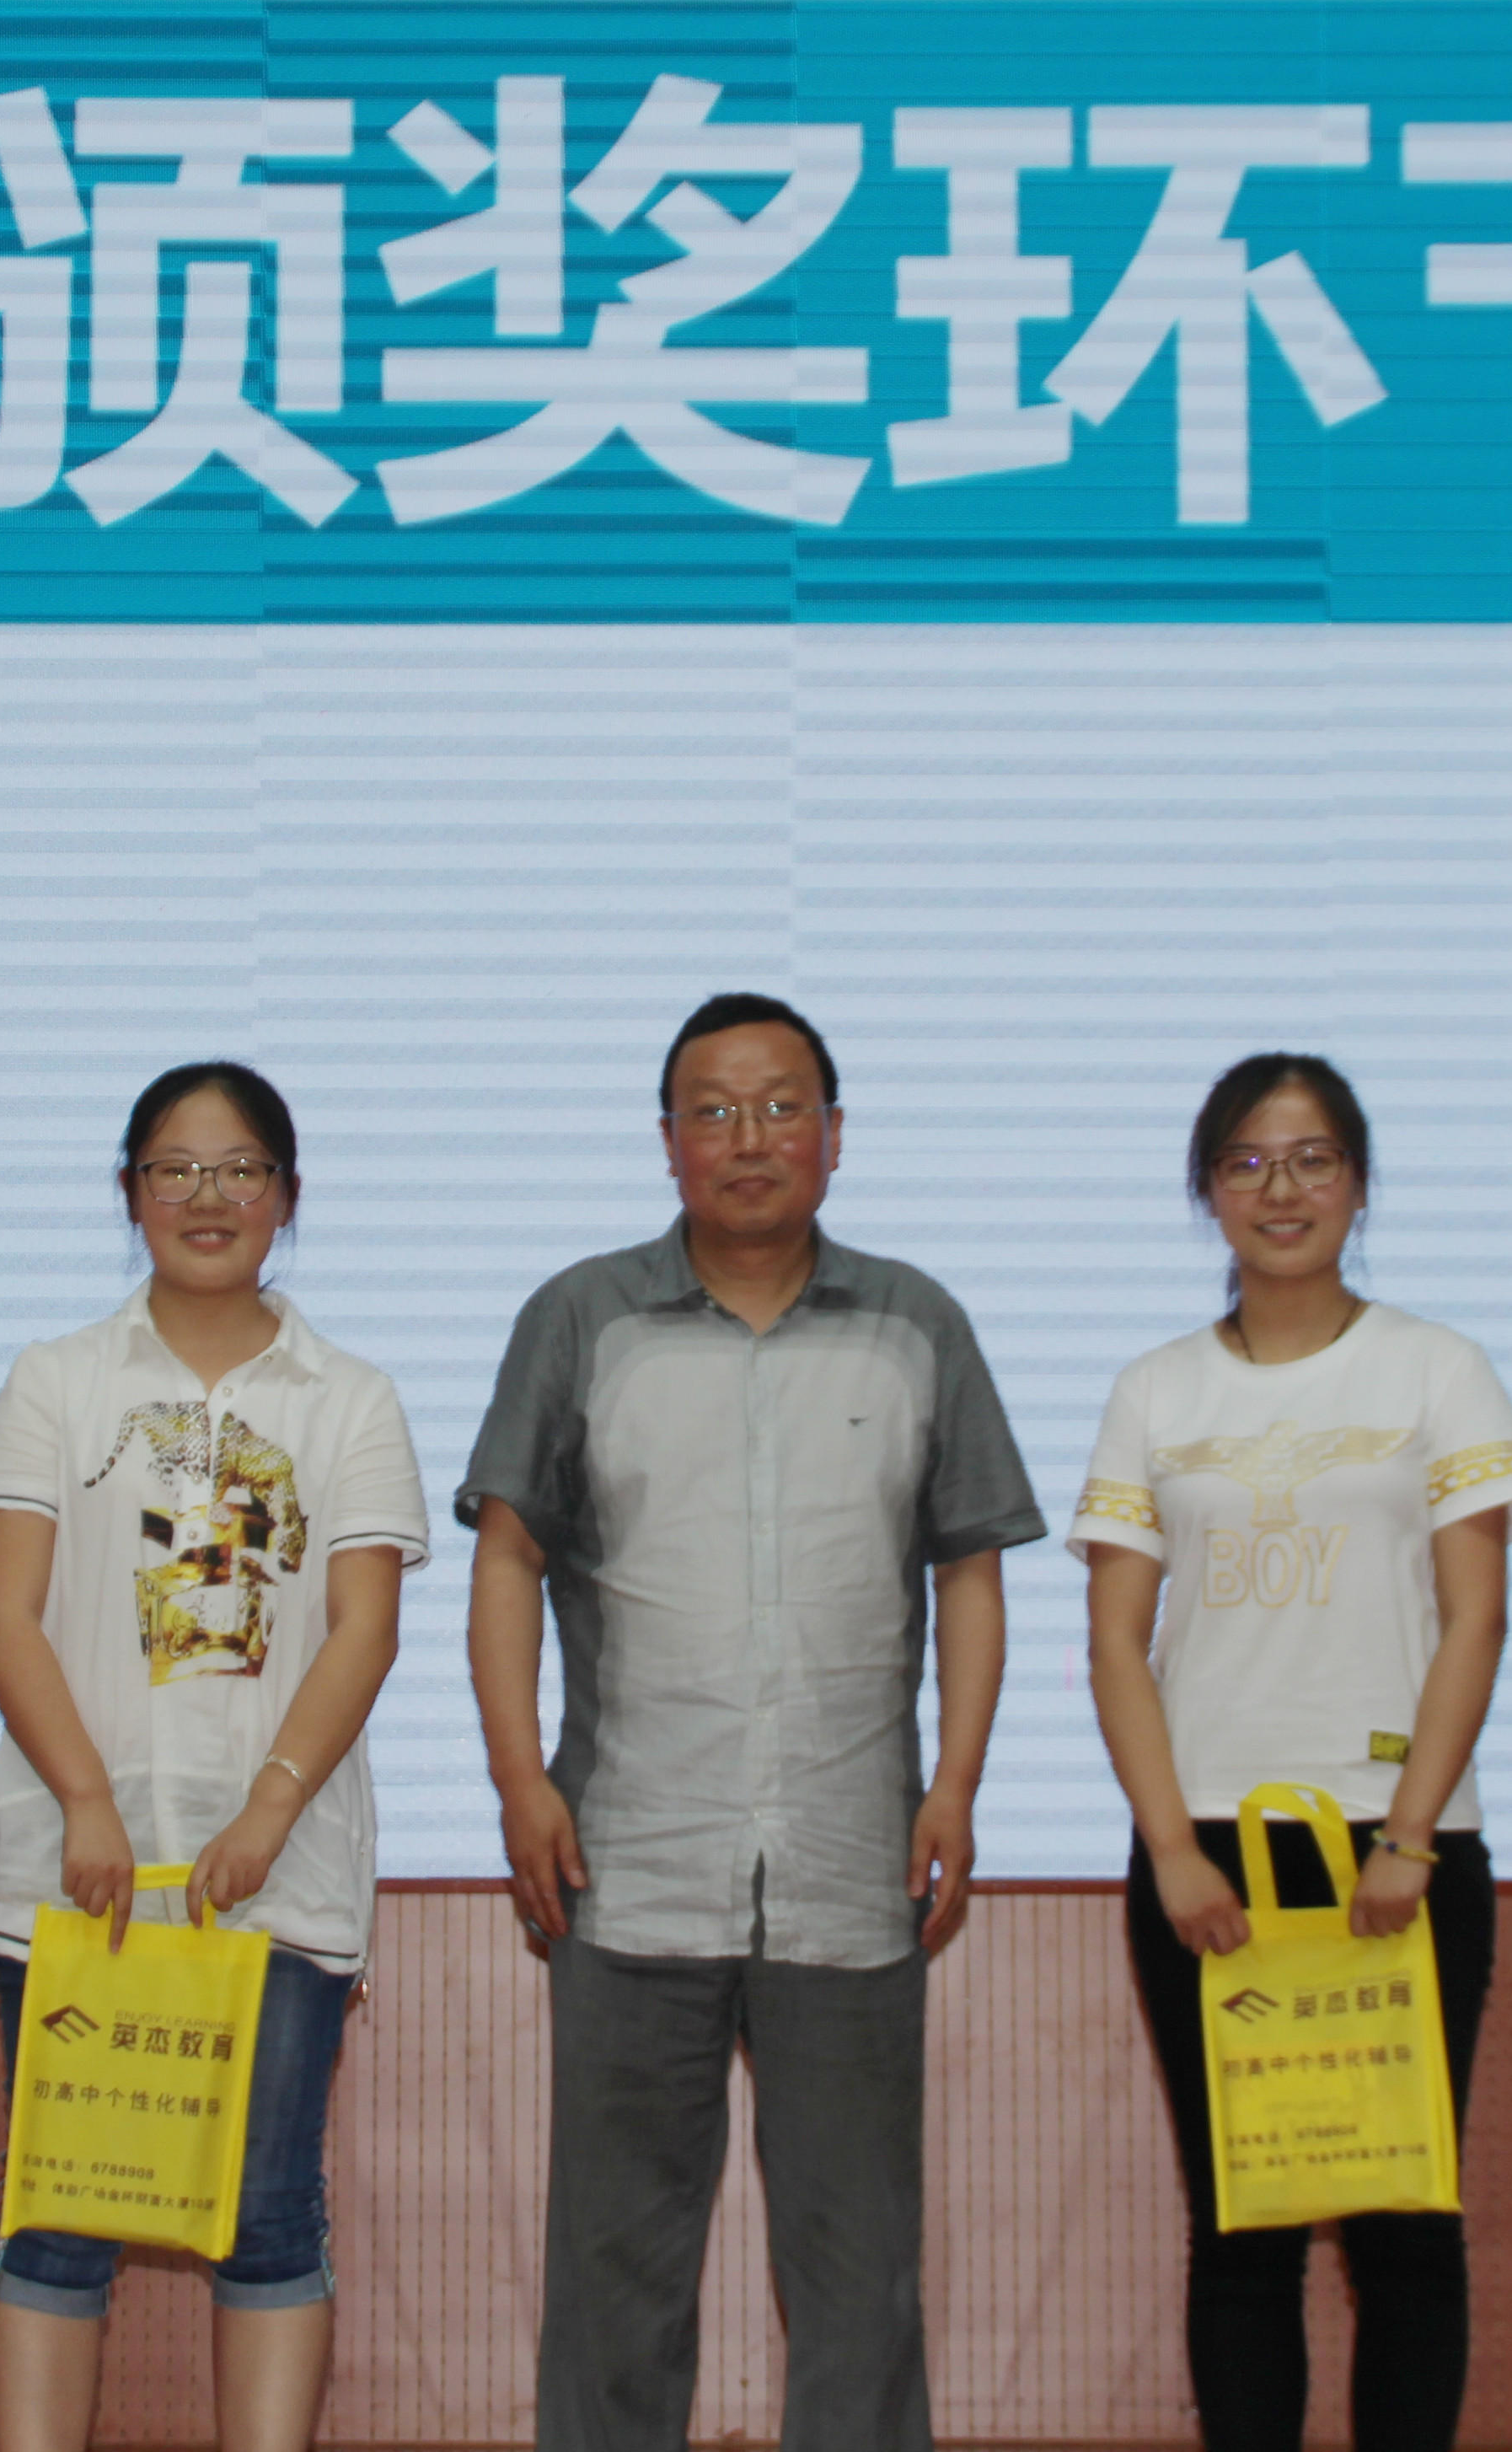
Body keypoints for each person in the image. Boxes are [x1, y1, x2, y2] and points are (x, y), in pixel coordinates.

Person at [463, 992, 1043, 2452]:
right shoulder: (583, 1317)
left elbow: (969, 1573)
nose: (749, 1139)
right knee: (614, 2283)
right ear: (667, 1141)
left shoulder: (917, 1324)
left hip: (852, 1865)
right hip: (626, 1861)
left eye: (783, 1107)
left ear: (835, 1135)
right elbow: (508, 1559)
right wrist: (521, 1780)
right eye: (713, 1111)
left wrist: (958, 1786)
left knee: (861, 2287)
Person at [1074, 1053, 1512, 2452]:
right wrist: (1172, 1849)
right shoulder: (1155, 1388)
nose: (1279, 1190)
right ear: (1207, 1188)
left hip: (1402, 1849)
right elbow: (1116, 1644)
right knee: (1244, 2231)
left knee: (1406, 2226)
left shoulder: (1439, 1368)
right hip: (1208, 1854)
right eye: (1246, 1161)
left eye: (1312, 1159)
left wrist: (1407, 1836)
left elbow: (1476, 1619)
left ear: (1357, 1182)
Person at [0, 1061, 428, 2452]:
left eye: (239, 1170)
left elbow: (362, 1628)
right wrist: (86, 1802)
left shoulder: (350, 1397)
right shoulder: (56, 1380)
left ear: (287, 1195)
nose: (207, 1197)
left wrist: (270, 1814)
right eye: (175, 1169)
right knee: (57, 2214)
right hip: (81, 1880)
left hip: (275, 1882)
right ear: (130, 1193)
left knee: (267, 2210)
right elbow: (5, 1615)